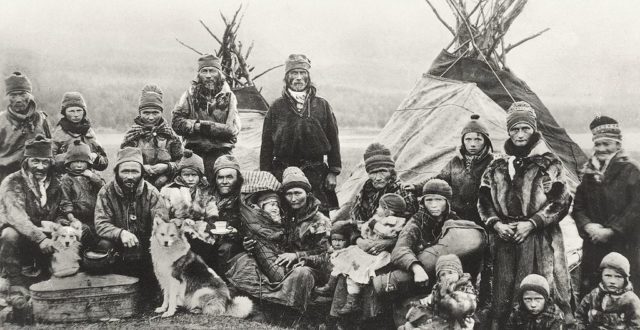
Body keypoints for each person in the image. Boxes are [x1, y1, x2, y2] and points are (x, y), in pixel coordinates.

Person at [478, 101, 574, 328]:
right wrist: (496, 224)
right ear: (508, 132)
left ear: (533, 130)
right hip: (505, 237)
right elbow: (483, 200)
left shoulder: (549, 162)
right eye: (514, 129)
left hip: (539, 237)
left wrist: (531, 223)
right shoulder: (497, 164)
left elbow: (561, 201)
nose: (520, 134)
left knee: (538, 291)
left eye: (525, 129)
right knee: (502, 294)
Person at [225, 166, 330, 312]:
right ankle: (260, 302)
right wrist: (250, 245)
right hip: (282, 264)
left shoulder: (319, 221)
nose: (293, 199)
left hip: (310, 268)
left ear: (308, 193)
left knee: (302, 274)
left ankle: (292, 313)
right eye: (289, 194)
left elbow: (326, 256)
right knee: (245, 261)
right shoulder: (284, 214)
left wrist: (297, 256)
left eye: (298, 193)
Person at [260, 54, 341, 215]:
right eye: (293, 73)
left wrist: (333, 171)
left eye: (302, 73)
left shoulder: (322, 105)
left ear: (308, 77)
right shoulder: (277, 107)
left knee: (319, 218)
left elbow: (334, 139)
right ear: (287, 77)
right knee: (285, 216)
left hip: (315, 172)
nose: (298, 78)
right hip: (282, 171)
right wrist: (266, 175)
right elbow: (266, 144)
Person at [572, 115, 640, 298]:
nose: (601, 149)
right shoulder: (589, 173)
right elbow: (578, 206)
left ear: (618, 144)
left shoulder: (631, 170)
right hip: (594, 247)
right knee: (593, 297)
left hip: (624, 246)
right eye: (598, 144)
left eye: (607, 143)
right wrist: (588, 226)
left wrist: (611, 231)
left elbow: (636, 209)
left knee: (624, 297)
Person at [93, 147, 169, 291]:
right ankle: (111, 286)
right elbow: (101, 223)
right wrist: (121, 233)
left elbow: (162, 225)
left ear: (141, 173)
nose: (129, 176)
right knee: (104, 245)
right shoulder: (106, 192)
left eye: (134, 171)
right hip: (119, 245)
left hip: (146, 247)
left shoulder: (152, 193)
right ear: (117, 172)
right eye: (125, 171)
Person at [407, 114, 495, 224]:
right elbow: (439, 179)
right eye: (468, 139)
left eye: (478, 139)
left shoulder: (492, 162)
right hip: (456, 216)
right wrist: (416, 187)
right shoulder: (455, 161)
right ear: (463, 141)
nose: (472, 144)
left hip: (481, 216)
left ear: (486, 141)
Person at [330, 193, 408, 315]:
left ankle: (353, 302)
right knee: (348, 261)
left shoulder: (394, 221)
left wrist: (373, 224)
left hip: (380, 255)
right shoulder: (366, 197)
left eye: (381, 207)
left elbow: (388, 233)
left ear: (389, 211)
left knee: (358, 269)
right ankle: (344, 296)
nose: (377, 209)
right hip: (369, 248)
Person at [172, 54, 241, 181]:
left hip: (221, 154)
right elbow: (176, 123)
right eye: (204, 71)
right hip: (194, 153)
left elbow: (232, 130)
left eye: (212, 71)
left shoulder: (229, 97)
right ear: (199, 74)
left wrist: (203, 127)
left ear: (219, 73)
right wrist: (197, 126)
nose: (208, 75)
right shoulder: (189, 96)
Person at [0, 135, 58, 286]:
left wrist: (60, 224)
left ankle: (54, 274)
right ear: (26, 162)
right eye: (35, 161)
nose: (40, 167)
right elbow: (17, 218)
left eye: (45, 162)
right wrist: (40, 238)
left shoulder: (55, 182)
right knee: (9, 235)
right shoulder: (13, 181)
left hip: (45, 234)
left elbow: (61, 210)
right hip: (24, 234)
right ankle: (15, 281)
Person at [392, 179, 460, 286]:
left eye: (439, 200)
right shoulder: (417, 222)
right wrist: (416, 268)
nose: (433, 205)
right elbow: (399, 250)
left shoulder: (455, 220)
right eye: (429, 200)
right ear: (423, 202)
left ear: (447, 202)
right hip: (421, 274)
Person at [159, 149, 218, 264]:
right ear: (180, 175)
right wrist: (181, 222)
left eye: (194, 175)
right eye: (186, 175)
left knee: (207, 249)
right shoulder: (169, 191)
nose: (190, 179)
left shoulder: (205, 191)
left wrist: (209, 222)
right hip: (177, 232)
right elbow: (163, 217)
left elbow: (212, 211)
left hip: (201, 232)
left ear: (200, 176)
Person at [121, 84, 183, 189]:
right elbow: (124, 162)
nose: (151, 117)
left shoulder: (170, 135)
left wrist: (167, 167)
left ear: (161, 112)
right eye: (146, 113)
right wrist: (142, 167)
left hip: (167, 185)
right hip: (137, 185)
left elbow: (181, 162)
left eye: (155, 113)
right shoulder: (132, 135)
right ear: (140, 113)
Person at [399, 255, 477, 330]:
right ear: (439, 279)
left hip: (457, 319)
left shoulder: (464, 287)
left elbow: (463, 307)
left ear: (459, 274)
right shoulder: (439, 287)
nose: (447, 277)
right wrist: (427, 301)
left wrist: (446, 294)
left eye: (450, 273)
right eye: (443, 274)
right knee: (416, 315)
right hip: (439, 316)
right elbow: (433, 299)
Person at [0, 72, 51, 184]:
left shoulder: (41, 119)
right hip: (6, 176)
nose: (18, 100)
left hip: (37, 175)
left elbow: (50, 148)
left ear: (30, 96)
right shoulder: (1, 120)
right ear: (7, 98)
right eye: (13, 95)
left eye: (23, 94)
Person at [58, 140, 104, 248]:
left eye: (82, 162)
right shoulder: (67, 179)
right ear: (69, 162)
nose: (79, 165)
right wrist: (72, 218)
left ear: (88, 163)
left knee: (98, 236)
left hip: (94, 216)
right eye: (76, 162)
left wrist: (93, 177)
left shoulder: (93, 175)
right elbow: (65, 201)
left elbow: (104, 189)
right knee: (83, 232)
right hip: (75, 217)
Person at [576, 252, 640, 329]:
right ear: (601, 276)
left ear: (625, 279)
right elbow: (580, 313)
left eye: (618, 277)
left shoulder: (630, 300)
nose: (612, 281)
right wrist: (580, 324)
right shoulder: (594, 294)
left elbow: (636, 326)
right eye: (608, 276)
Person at [51, 92, 108, 172]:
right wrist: (70, 158)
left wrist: (96, 157)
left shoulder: (89, 131)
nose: (76, 114)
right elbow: (50, 161)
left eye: (79, 110)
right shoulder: (58, 133)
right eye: (71, 111)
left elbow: (104, 162)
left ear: (84, 112)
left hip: (88, 177)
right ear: (65, 113)